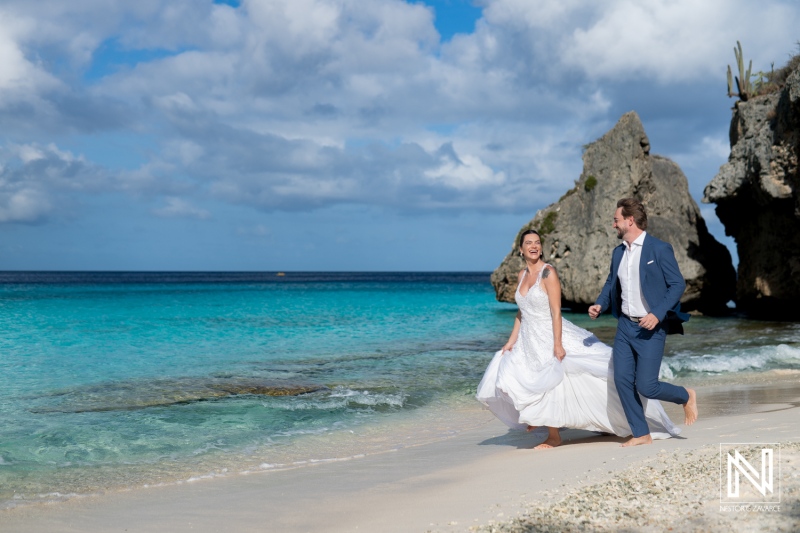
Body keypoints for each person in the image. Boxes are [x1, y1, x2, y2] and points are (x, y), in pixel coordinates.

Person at [477, 229, 680, 449]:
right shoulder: (521, 275)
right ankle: (543, 421)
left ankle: (555, 436)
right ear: (521, 249)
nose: (534, 246)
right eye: (529, 243)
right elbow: (521, 312)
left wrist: (557, 344)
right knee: (526, 380)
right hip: (529, 338)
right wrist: (511, 340)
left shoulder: (548, 273)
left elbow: (556, 311)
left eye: (537, 242)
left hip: (549, 333)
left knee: (556, 380)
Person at [588, 198, 698, 447]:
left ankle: (685, 395)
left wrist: (657, 313)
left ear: (630, 220)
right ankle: (641, 433)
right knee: (622, 380)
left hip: (651, 327)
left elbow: (677, 284)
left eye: (616, 220)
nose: (613, 224)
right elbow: (610, 283)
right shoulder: (618, 253)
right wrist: (600, 304)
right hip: (625, 325)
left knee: (647, 386)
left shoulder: (659, 249)